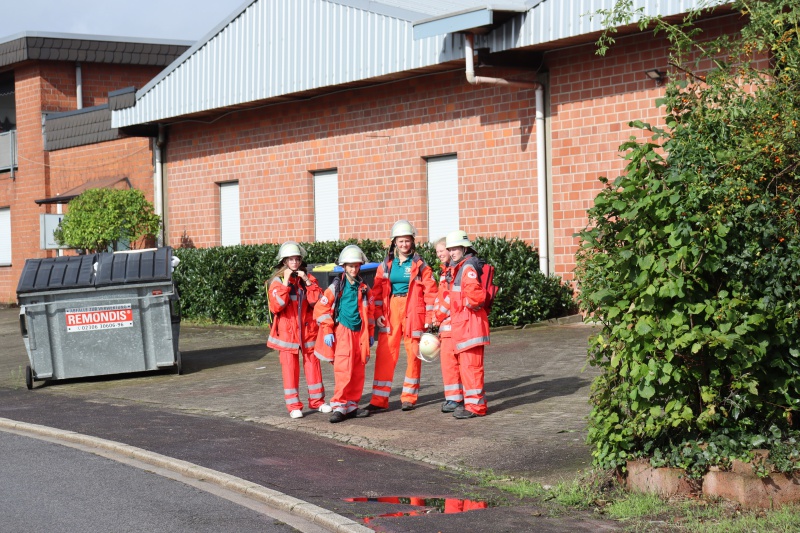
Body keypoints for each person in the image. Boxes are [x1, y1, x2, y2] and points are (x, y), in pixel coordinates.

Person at [367, 220, 437, 412]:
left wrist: (429, 317)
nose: (404, 244)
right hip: (391, 311)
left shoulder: (421, 265)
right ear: (394, 243)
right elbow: (377, 292)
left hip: (413, 309)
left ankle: (409, 397)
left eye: (407, 241)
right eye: (400, 241)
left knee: (413, 354)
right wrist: (379, 313)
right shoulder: (386, 265)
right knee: (385, 354)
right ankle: (379, 400)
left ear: (412, 242)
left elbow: (431, 292)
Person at [266, 241, 331, 419]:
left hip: (308, 332)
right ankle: (294, 406)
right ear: (284, 262)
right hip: (287, 335)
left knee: (313, 367)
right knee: (290, 370)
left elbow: (317, 301)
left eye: (297, 259)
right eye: (290, 259)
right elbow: (277, 306)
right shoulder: (277, 282)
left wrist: (307, 280)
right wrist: (286, 282)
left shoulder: (307, 279)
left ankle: (317, 402)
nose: (294, 262)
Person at [313, 244, 376, 423]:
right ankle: (339, 406)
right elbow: (321, 308)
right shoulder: (336, 286)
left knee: (358, 369)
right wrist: (326, 329)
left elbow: (370, 312)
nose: (354, 269)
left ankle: (352, 405)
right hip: (342, 331)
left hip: (360, 334)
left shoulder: (364, 287)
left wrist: (370, 333)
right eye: (350, 266)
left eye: (356, 266)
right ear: (343, 267)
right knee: (343, 369)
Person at [433, 230, 489, 419]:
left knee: (472, 369)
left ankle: (476, 407)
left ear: (464, 248)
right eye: (450, 248)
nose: (452, 251)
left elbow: (476, 297)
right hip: (466, 327)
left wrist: (463, 305)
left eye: (455, 248)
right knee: (467, 368)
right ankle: (471, 405)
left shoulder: (467, 268)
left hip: (470, 327)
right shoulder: (461, 267)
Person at [431, 237, 461, 413]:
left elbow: (451, 296)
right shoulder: (446, 272)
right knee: (449, 364)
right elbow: (441, 296)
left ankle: (454, 399)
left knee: (450, 364)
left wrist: (439, 314)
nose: (439, 254)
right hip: (446, 325)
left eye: (441, 250)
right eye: (437, 252)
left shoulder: (452, 271)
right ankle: (454, 397)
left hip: (451, 325)